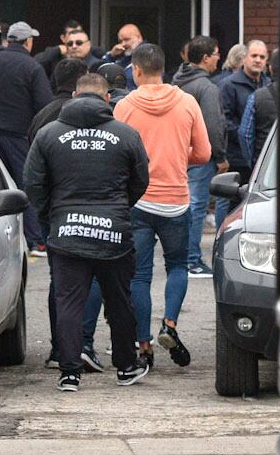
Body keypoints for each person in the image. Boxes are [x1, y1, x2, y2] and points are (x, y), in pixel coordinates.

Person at [23, 72, 150, 391]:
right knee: (120, 301)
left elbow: (33, 183)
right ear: (107, 98)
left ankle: (69, 372)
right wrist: (120, 207)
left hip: (66, 231)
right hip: (115, 233)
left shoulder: (49, 135)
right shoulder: (127, 134)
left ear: (74, 97)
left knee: (68, 302)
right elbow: (140, 180)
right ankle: (126, 366)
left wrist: (51, 217)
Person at [114, 43, 210, 368]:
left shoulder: (125, 106)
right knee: (178, 266)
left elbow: (117, 152)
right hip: (176, 201)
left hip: (138, 201)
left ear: (136, 70)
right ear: (164, 68)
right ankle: (169, 324)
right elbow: (205, 153)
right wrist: (181, 157)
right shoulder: (187, 102)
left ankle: (143, 345)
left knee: (139, 276)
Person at [31, 56, 103, 370]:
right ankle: (83, 343)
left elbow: (32, 172)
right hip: (93, 206)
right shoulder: (95, 116)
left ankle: (59, 348)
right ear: (81, 85)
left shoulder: (41, 116)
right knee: (93, 275)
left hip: (54, 209)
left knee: (58, 280)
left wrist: (43, 208)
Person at [0, 22, 55, 251]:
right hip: (19, 134)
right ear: (27, 41)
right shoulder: (32, 66)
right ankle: (35, 239)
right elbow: (44, 105)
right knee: (26, 183)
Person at [171, 36, 228, 278]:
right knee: (196, 207)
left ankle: (183, 257)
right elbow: (213, 125)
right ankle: (192, 260)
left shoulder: (178, 81)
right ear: (205, 58)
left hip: (179, 152)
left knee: (185, 207)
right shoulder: (207, 87)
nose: (219, 58)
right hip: (200, 156)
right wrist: (221, 155)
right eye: (216, 54)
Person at [217, 40, 271, 223]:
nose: (258, 60)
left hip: (261, 159)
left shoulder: (268, 85)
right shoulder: (228, 85)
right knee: (229, 206)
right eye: (254, 56)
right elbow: (224, 120)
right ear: (245, 58)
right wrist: (245, 135)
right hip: (236, 157)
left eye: (262, 57)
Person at [237, 49, 280, 169]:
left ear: (270, 68)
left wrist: (255, 162)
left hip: (265, 165)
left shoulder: (257, 96)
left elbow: (245, 134)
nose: (257, 60)